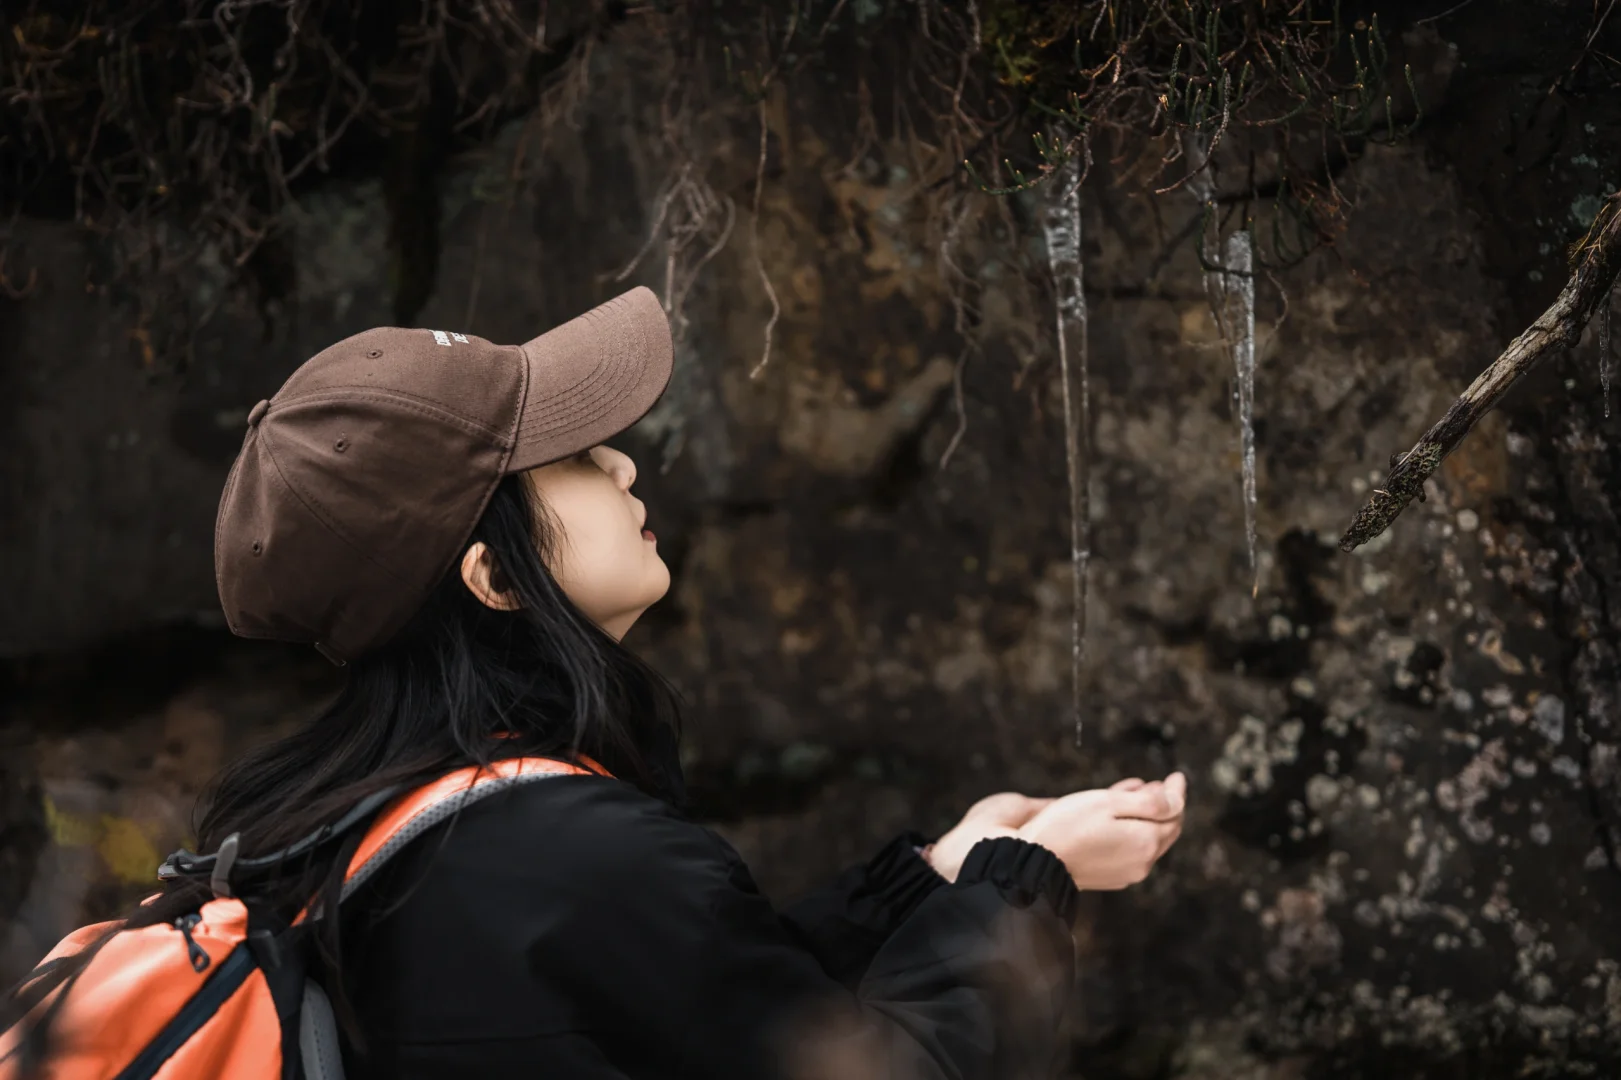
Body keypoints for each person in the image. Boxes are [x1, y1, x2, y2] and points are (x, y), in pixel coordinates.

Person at [8, 287, 1186, 1079]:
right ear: (491, 576)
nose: (622, 459)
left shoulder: (360, 833)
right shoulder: (569, 851)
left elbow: (684, 1004)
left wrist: (933, 879)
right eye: (567, 456)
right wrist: (1025, 883)